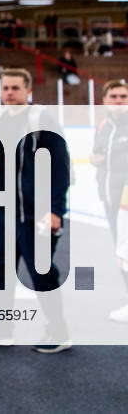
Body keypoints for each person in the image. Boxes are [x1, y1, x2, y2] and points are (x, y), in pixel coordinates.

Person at [0, 69, 71, 352]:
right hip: (1, 212)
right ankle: (2, 330)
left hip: (36, 214)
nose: (9, 93)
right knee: (0, 271)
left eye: (15, 88)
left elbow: (61, 168)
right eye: (6, 88)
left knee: (41, 272)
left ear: (28, 91)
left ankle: (59, 331)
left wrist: (56, 210)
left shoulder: (43, 120)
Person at [91, 79, 128, 322]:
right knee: (122, 253)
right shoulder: (104, 125)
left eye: (123, 96)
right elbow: (98, 155)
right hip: (111, 200)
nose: (118, 101)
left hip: (126, 202)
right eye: (113, 96)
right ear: (104, 100)